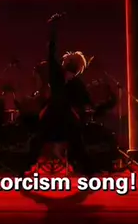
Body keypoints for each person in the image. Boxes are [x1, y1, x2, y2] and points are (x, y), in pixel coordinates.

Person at [38, 14, 95, 175]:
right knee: (77, 143)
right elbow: (87, 102)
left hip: (55, 117)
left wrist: (53, 28)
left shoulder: (62, 76)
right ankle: (87, 172)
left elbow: (51, 52)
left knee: (37, 140)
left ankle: (23, 171)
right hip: (63, 118)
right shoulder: (73, 81)